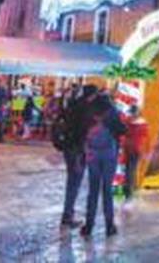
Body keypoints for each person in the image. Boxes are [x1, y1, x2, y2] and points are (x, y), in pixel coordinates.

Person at [81, 91, 126, 237]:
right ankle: (109, 226)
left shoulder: (88, 111)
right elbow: (122, 130)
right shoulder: (112, 111)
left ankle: (88, 226)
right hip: (109, 154)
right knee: (107, 191)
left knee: (93, 190)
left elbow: (83, 131)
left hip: (93, 154)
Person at [56, 84, 97, 228]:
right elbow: (82, 133)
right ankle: (67, 216)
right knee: (74, 182)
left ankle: (68, 213)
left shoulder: (73, 105)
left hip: (68, 146)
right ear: (92, 95)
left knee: (71, 181)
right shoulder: (86, 109)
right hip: (77, 150)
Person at [122, 105, 150, 202]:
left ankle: (129, 193)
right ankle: (130, 191)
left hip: (131, 150)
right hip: (136, 150)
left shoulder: (128, 123)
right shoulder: (143, 124)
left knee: (129, 171)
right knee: (131, 171)